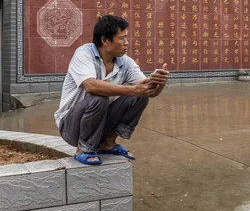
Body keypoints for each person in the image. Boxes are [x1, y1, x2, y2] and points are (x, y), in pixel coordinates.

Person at [54, 15, 169, 165]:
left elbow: (146, 91)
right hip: (70, 126)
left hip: (100, 122)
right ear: (105, 40)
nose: (126, 43)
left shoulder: (125, 62)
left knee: (140, 97)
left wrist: (158, 83)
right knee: (98, 97)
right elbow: (91, 86)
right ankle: (83, 150)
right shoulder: (84, 54)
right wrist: (133, 90)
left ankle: (107, 143)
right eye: (122, 38)